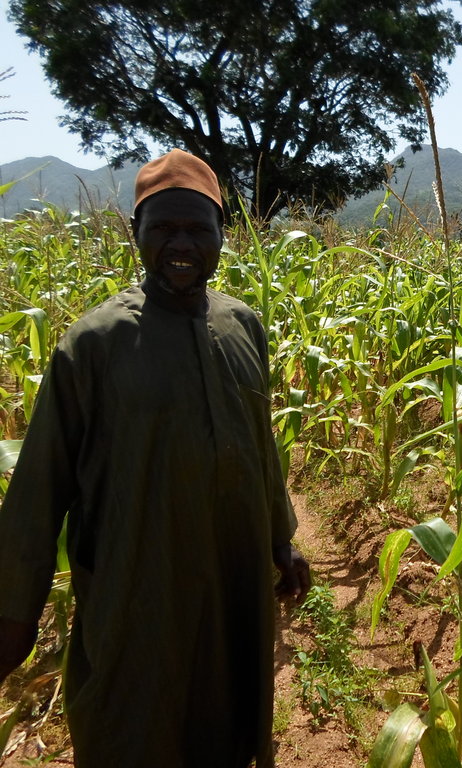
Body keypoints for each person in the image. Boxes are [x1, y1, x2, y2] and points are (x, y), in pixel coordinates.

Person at [0, 149, 310, 767]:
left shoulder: (243, 325)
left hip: (234, 574)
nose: (181, 244)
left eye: (198, 228)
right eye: (164, 227)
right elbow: (40, 487)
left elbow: (259, 443)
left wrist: (280, 538)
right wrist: (14, 614)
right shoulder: (95, 343)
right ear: (134, 231)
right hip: (137, 586)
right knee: (135, 723)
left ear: (222, 233)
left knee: (229, 716)